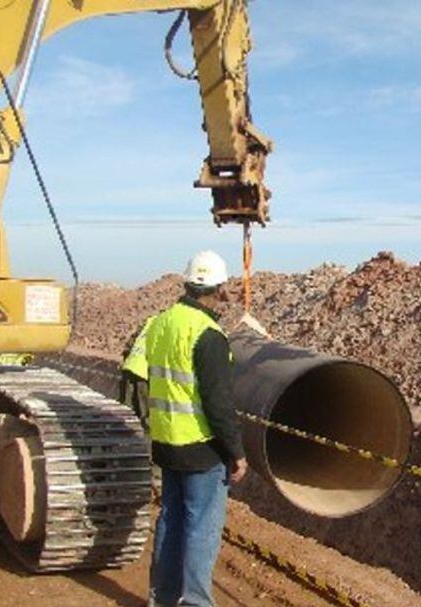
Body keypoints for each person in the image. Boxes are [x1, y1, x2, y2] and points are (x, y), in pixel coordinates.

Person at [147, 250, 247, 607]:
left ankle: (162, 598)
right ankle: (195, 603)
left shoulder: (160, 323)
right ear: (220, 289)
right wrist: (236, 452)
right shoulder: (208, 335)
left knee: (171, 520)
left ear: (187, 283)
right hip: (202, 447)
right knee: (201, 528)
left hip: (166, 440)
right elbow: (218, 405)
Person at [119, 316, 155, 429]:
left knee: (127, 411)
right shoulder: (167, 325)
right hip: (142, 371)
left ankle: (126, 439)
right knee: (146, 416)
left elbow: (129, 345)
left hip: (130, 367)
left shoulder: (151, 320)